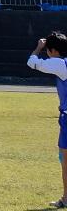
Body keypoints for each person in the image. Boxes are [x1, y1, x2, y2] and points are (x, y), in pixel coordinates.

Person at [27, 32, 67, 208]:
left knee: (65, 160)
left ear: (52, 50)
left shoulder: (60, 63)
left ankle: (66, 198)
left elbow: (32, 62)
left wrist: (38, 48)